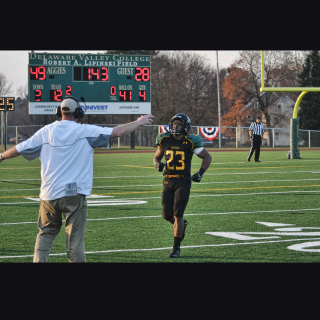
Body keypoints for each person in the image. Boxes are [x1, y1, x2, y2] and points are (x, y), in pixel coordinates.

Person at [0, 96, 154, 263]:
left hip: (49, 194)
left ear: (59, 112)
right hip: (74, 193)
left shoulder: (46, 131)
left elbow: (19, 149)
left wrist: (1, 156)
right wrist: (139, 121)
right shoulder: (84, 131)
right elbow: (116, 132)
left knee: (45, 235)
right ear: (78, 113)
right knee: (74, 244)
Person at [153, 113, 212, 258]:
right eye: (174, 123)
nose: (175, 126)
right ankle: (180, 225)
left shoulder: (190, 142)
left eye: (179, 124)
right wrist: (157, 164)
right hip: (168, 180)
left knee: (178, 214)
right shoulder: (164, 139)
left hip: (183, 181)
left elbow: (207, 157)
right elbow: (156, 157)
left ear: (185, 127)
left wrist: (200, 173)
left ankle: (176, 249)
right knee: (167, 215)